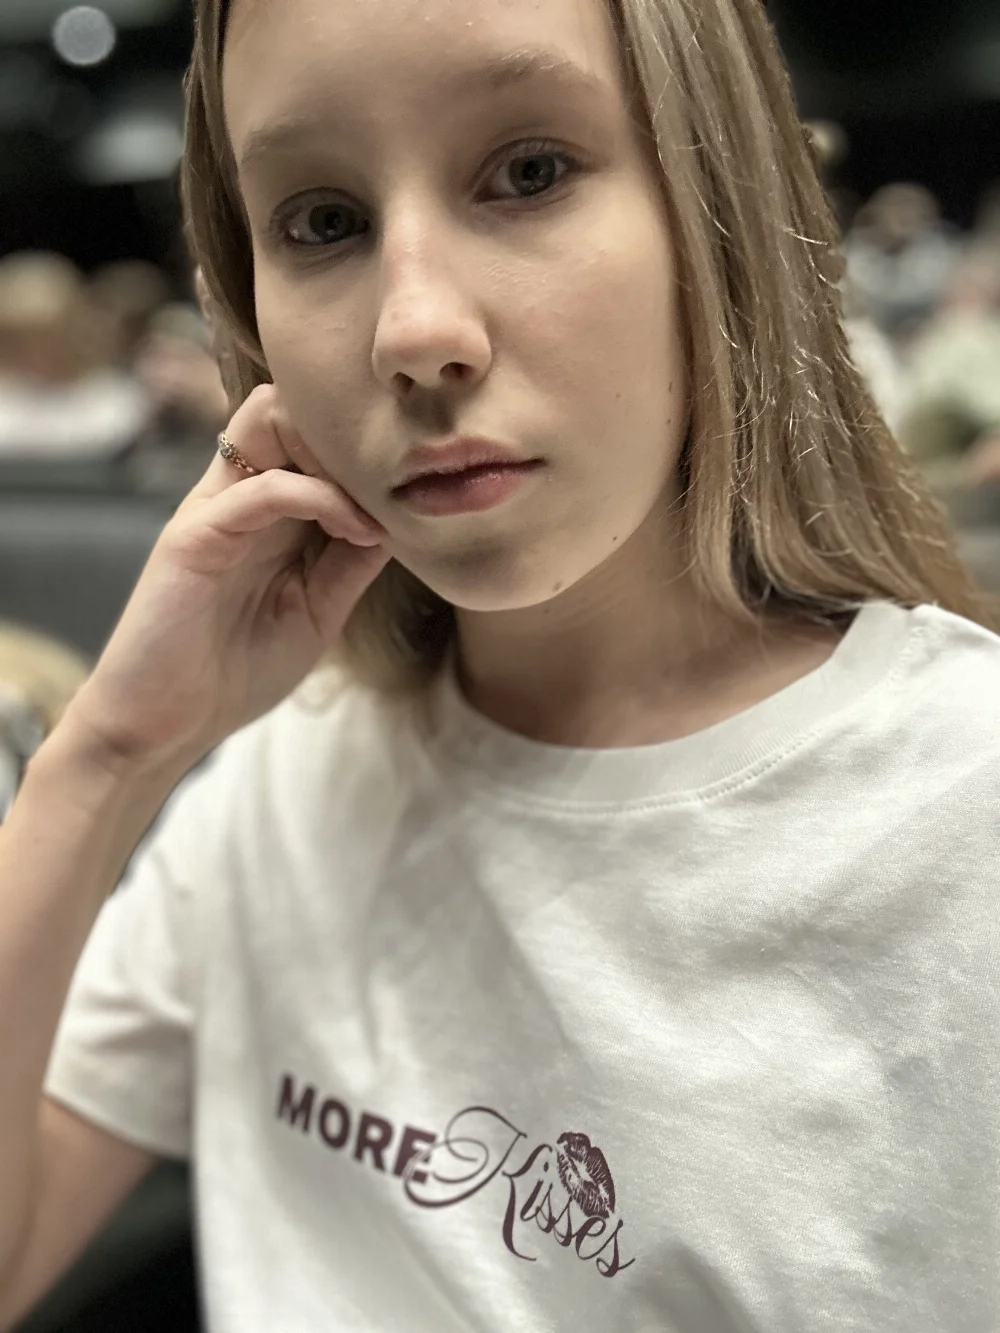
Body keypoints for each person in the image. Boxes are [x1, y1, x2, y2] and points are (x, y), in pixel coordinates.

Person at [1, 2, 999, 1331]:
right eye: (323, 221)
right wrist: (105, 760)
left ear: (717, 206)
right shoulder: (287, 779)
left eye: (528, 171)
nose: (414, 330)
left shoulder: (962, 825)